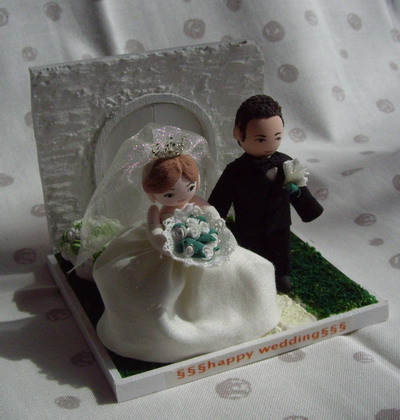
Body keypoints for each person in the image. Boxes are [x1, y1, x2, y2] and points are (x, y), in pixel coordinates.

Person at [82, 125, 282, 363]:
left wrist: (214, 227)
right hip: (166, 253)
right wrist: (162, 241)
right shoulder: (156, 211)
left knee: (242, 272)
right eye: (169, 194)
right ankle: (169, 336)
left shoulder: (197, 202)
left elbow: (213, 213)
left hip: (206, 247)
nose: (181, 196)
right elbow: (154, 229)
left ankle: (239, 318)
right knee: (143, 290)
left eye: (189, 187)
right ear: (152, 193)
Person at [208, 95, 323, 293]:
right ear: (239, 134)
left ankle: (281, 274)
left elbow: (302, 193)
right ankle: (255, 278)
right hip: (250, 226)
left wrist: (296, 192)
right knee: (254, 253)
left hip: (280, 223)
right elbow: (220, 200)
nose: (270, 144)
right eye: (261, 139)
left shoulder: (286, 163)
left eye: (277, 137)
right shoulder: (235, 171)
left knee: (280, 250)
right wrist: (212, 222)